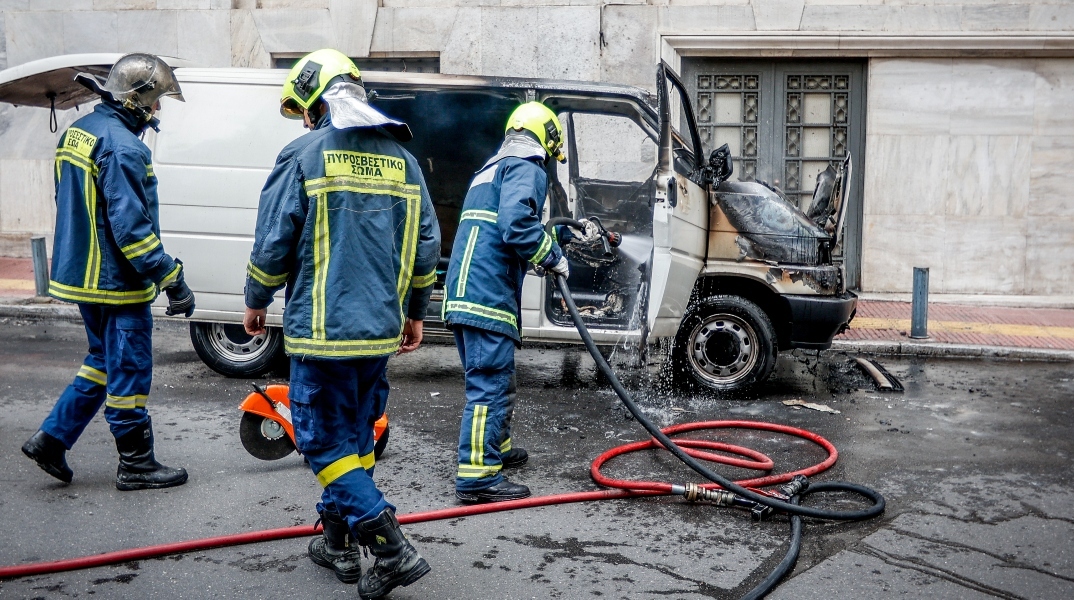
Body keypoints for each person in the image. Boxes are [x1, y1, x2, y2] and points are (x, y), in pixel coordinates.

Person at [242, 49, 439, 599]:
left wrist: (256, 300)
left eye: (304, 108)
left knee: (324, 443)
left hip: (322, 334)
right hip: (379, 331)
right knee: (356, 437)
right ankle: (337, 544)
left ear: (315, 101)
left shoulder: (303, 153)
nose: (304, 119)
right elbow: (426, 246)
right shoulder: (404, 159)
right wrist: (416, 312)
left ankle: (390, 549)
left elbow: (274, 240)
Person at [21, 53, 194, 492]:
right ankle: (136, 464)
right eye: (156, 102)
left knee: (102, 360)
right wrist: (171, 277)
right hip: (115, 282)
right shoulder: (123, 147)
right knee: (130, 371)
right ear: (136, 100)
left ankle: (52, 439)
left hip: (81, 275)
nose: (158, 111)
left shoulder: (81, 133)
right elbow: (132, 231)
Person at [444, 101, 602, 504]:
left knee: (499, 379)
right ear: (546, 139)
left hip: (469, 291)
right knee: (489, 384)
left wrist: (563, 237)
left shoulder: (493, 168)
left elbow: (515, 224)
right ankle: (477, 477)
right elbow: (517, 226)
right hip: (486, 294)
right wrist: (553, 258)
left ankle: (494, 450)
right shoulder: (526, 167)